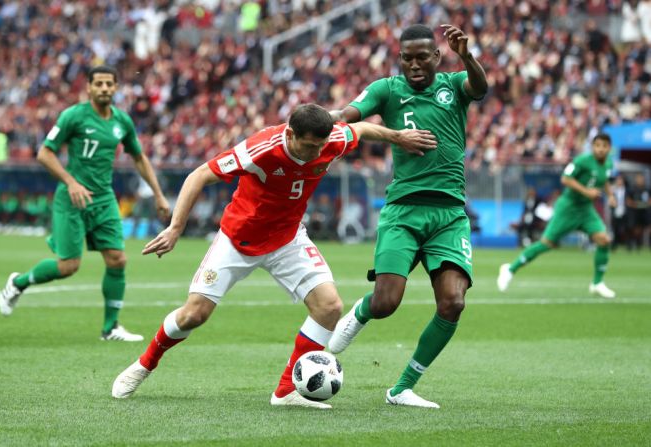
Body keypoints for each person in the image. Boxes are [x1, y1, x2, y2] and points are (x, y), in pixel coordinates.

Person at [110, 103, 437, 408]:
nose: (317, 153)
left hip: (287, 238)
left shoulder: (331, 139)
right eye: (309, 146)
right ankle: (144, 364)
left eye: (321, 146)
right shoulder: (262, 148)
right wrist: (175, 228)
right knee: (194, 314)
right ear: (290, 134)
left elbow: (362, 129)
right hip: (239, 239)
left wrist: (397, 137)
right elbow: (199, 176)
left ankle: (286, 391)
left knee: (329, 306)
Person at [328, 24, 488, 408]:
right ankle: (360, 313)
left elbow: (480, 88)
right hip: (403, 212)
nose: (414, 65)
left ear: (436, 57)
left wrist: (466, 56)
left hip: (450, 214)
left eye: (422, 57)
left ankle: (402, 388)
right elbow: (348, 114)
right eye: (407, 58)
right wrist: (322, 117)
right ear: (399, 58)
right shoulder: (387, 90)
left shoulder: (454, 84)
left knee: (453, 302)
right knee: (386, 303)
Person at [0, 65, 170, 341]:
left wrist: (159, 195)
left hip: (103, 200)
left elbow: (139, 157)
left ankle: (110, 328)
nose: (104, 88)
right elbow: (45, 153)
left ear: (115, 88)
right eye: (98, 84)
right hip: (72, 198)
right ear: (88, 87)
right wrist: (71, 182)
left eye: (108, 84)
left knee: (117, 259)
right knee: (68, 266)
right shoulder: (73, 116)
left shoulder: (122, 122)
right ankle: (18, 282)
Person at [497, 133, 617, 298]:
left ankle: (597, 283)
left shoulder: (608, 163)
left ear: (609, 148)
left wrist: (610, 196)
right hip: (568, 207)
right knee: (547, 244)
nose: (601, 149)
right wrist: (586, 191)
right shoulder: (582, 161)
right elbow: (565, 179)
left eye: (604, 146)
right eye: (598, 145)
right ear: (593, 147)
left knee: (604, 240)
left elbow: (604, 181)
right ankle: (510, 269)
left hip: (586, 209)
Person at [625, 172, 650, 249]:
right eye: (639, 178)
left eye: (641, 178)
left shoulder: (647, 189)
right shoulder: (632, 189)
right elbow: (628, 201)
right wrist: (637, 205)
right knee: (634, 229)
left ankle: (642, 244)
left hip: (645, 212)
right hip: (634, 213)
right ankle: (632, 244)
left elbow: (649, 202)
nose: (640, 180)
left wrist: (640, 205)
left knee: (646, 229)